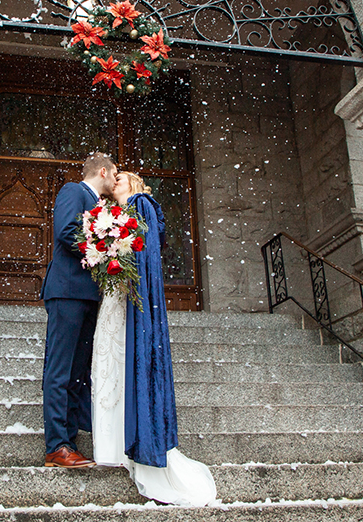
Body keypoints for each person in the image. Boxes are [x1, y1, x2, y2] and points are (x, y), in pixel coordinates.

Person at [91, 171, 217, 506]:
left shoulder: (141, 204)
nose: (114, 181)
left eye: (120, 177)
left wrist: (118, 255)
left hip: (132, 296)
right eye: (113, 178)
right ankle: (111, 444)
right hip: (116, 296)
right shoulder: (112, 214)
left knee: (126, 363)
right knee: (109, 368)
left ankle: (136, 443)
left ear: (132, 184)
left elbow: (142, 253)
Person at [41, 152, 117, 468]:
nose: (116, 180)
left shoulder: (101, 206)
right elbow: (67, 232)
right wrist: (108, 250)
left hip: (88, 296)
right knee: (60, 369)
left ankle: (69, 441)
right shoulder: (73, 191)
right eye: (115, 174)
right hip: (68, 291)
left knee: (76, 374)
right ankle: (56, 445)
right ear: (102, 171)